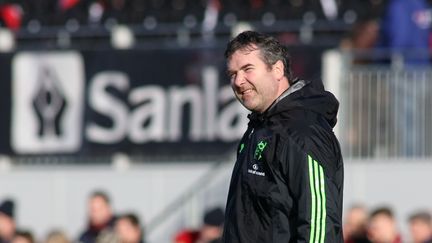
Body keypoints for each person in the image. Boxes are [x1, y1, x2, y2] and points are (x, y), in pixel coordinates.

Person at [222, 30, 344, 242]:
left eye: (247, 69)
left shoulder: (303, 133)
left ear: (277, 69)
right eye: (232, 74)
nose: (238, 81)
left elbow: (318, 228)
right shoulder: (259, 127)